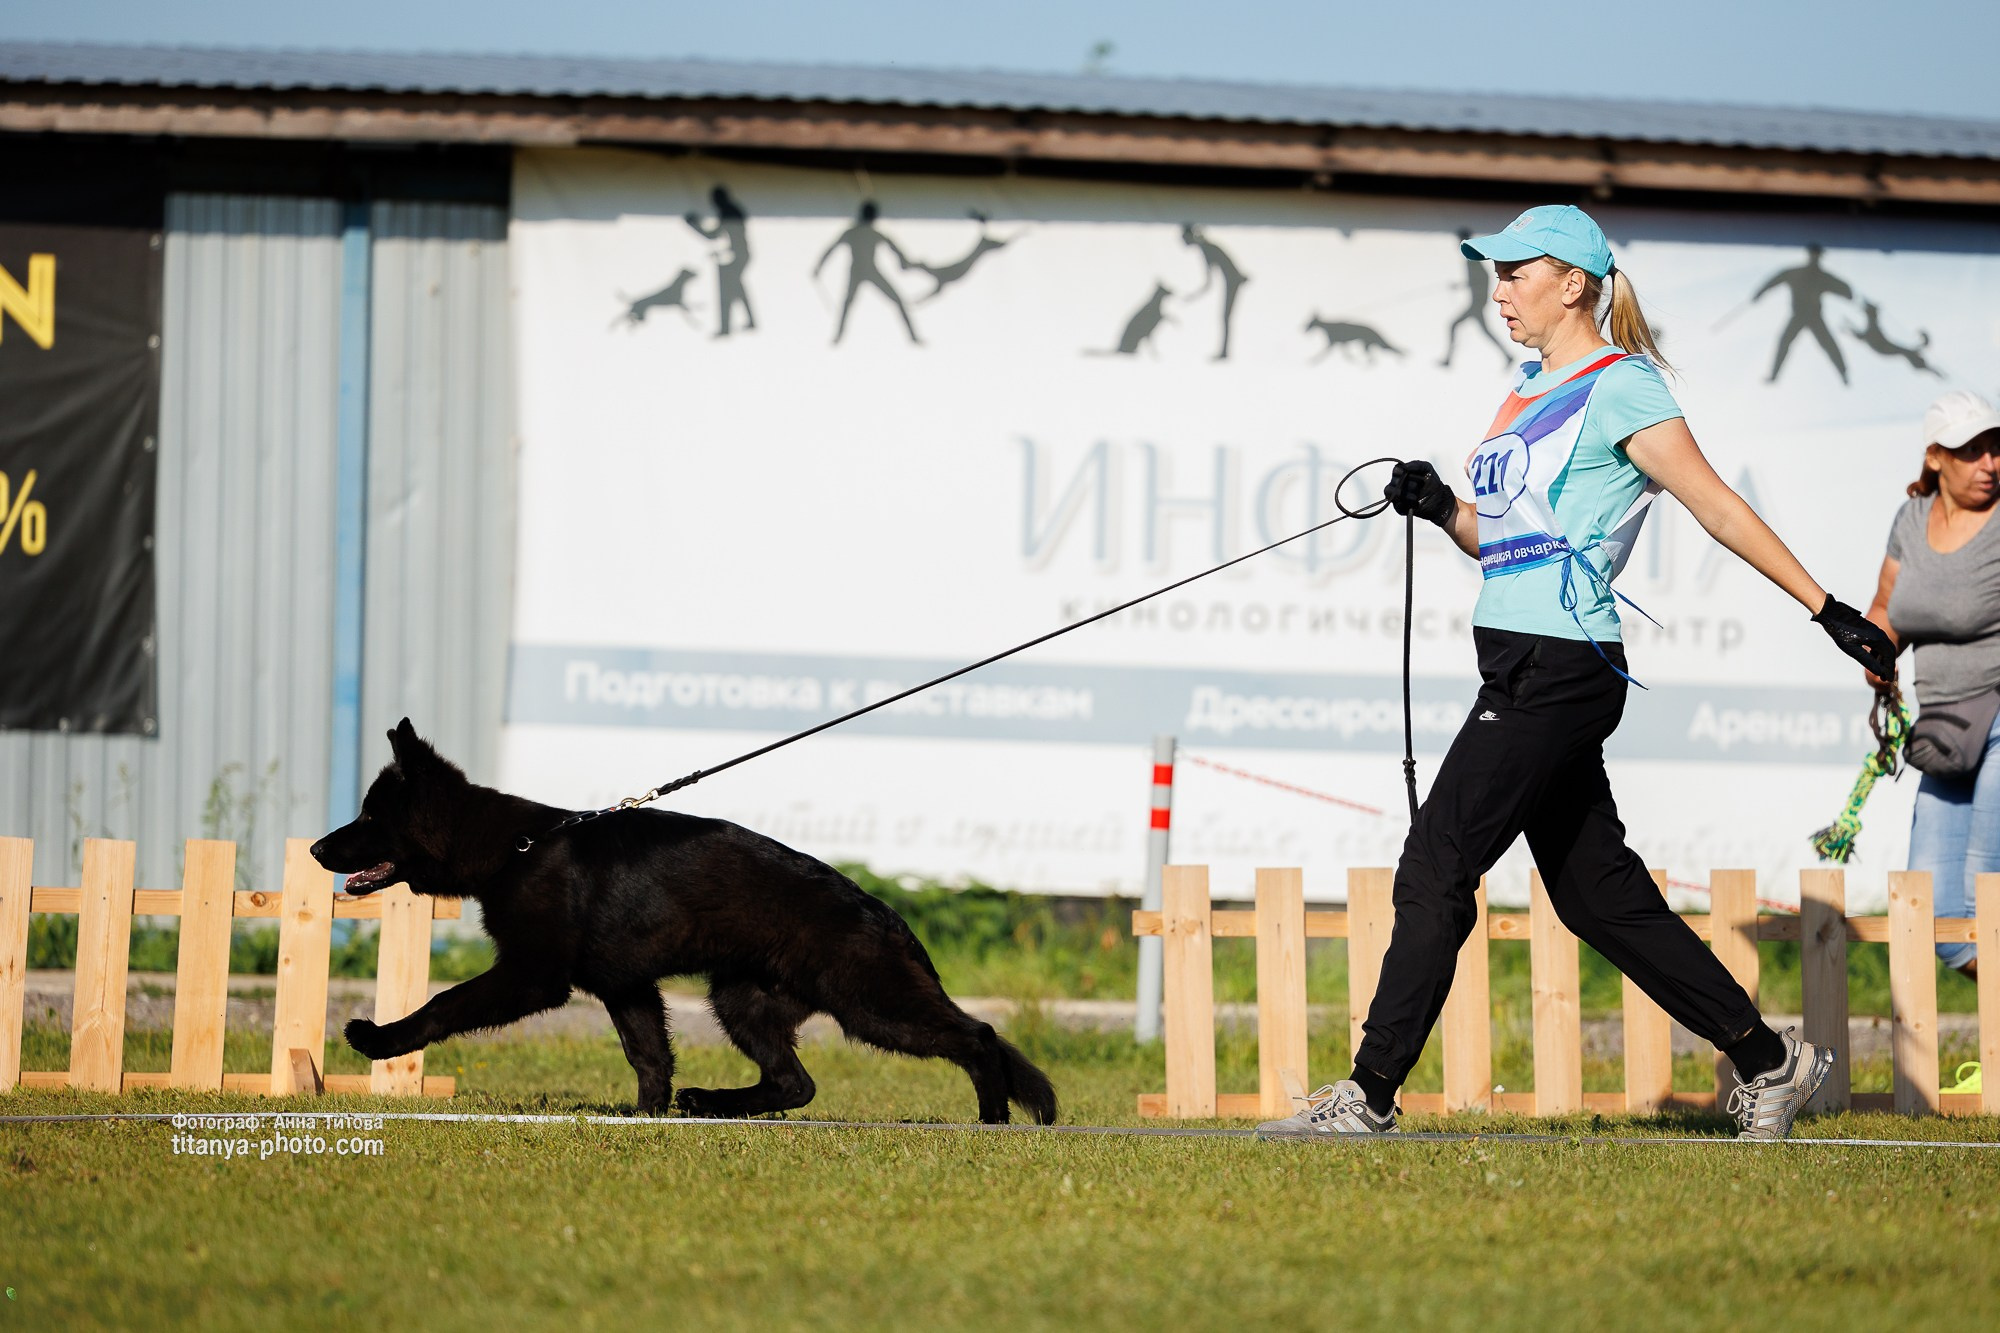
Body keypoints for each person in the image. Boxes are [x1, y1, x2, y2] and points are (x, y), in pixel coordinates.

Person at [1257, 205, 1897, 1141]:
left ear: (1573, 285)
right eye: (1496, 273)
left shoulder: (1623, 386)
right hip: (1519, 660)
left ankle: (1370, 1095)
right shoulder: (1524, 390)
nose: (1499, 290)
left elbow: (1717, 505)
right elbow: (1505, 543)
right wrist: (1441, 506)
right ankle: (1772, 1062)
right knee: (1598, 894)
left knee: (1438, 858)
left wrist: (1825, 606)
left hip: (1559, 668)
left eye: (1516, 272)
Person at [1863, 390, 2000, 980]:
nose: (1989, 463)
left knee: (1985, 903)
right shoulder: (1911, 520)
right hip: (1944, 724)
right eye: (1971, 450)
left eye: (1996, 448)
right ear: (1936, 457)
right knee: (1943, 925)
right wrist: (1876, 652)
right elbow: (1886, 607)